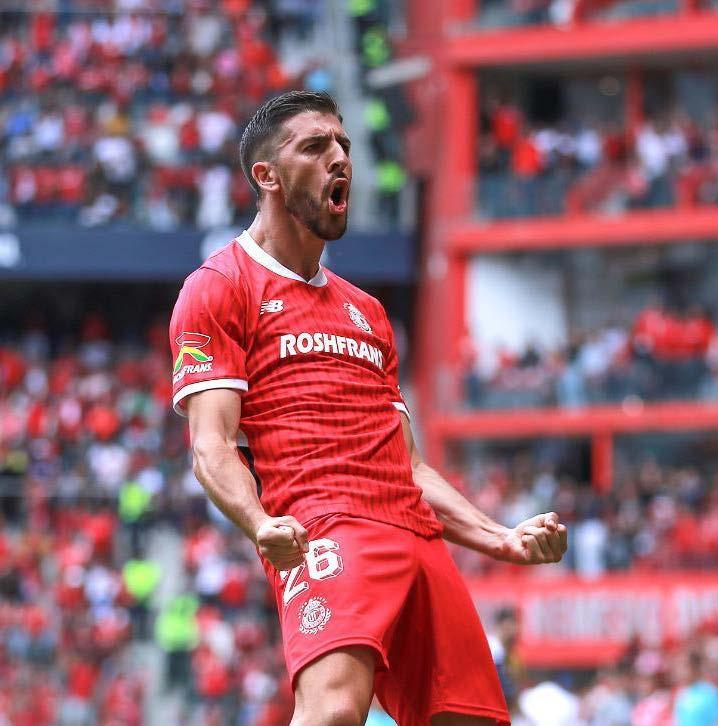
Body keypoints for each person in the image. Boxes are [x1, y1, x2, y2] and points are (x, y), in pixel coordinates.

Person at [169, 90, 568, 726]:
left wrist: (501, 537)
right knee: (333, 712)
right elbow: (210, 444)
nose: (339, 158)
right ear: (266, 176)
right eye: (315, 146)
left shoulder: (368, 313)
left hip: (418, 538)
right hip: (325, 528)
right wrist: (259, 523)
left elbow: (410, 467)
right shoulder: (220, 286)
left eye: (344, 146)